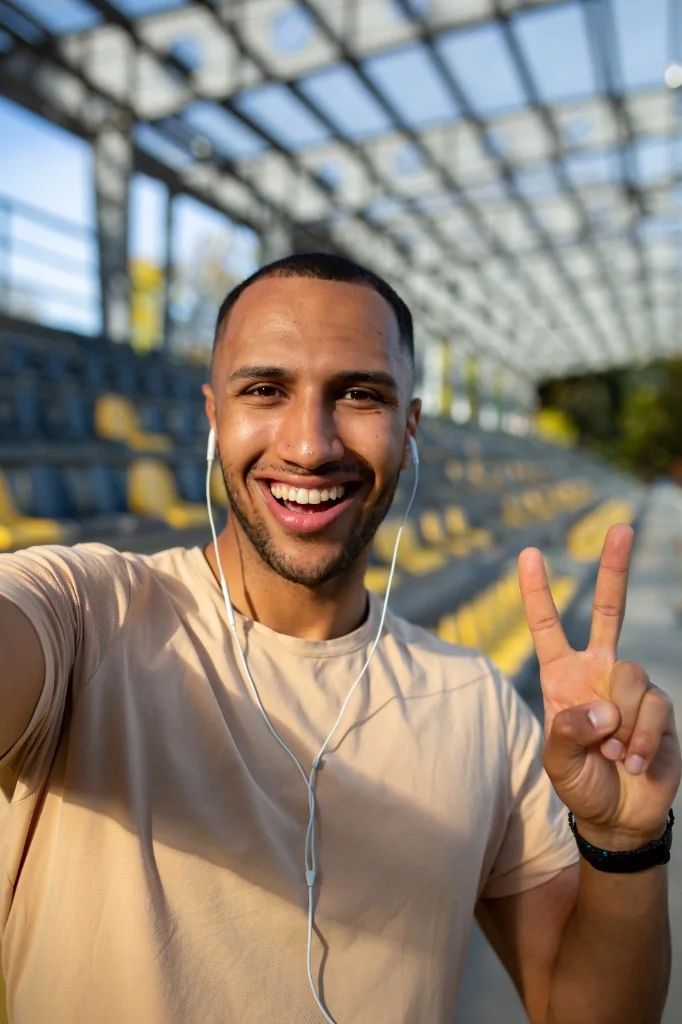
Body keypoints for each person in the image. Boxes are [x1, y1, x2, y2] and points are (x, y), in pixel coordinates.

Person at [0, 253, 679, 1024]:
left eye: (359, 394)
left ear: (409, 427)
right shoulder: (85, 611)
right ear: (212, 414)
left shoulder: (478, 706)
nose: (312, 444)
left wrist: (624, 844)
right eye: (265, 390)